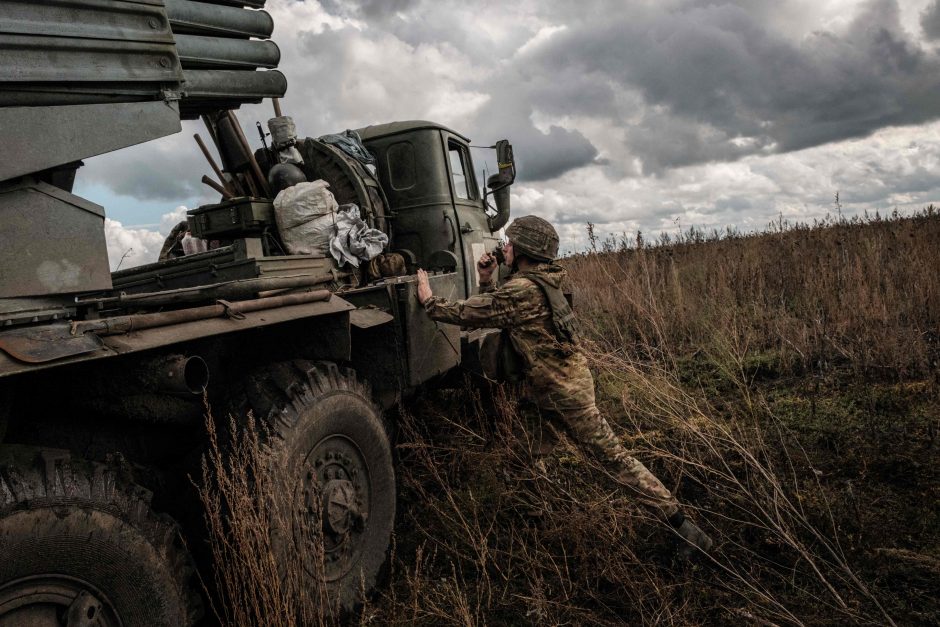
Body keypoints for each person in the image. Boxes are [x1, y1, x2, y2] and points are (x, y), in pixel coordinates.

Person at [415, 215, 713, 555]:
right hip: (546, 392)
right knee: (521, 458)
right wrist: (487, 278)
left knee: (614, 461)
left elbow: (474, 313)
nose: (505, 247)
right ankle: (533, 522)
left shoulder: (523, 289)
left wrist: (428, 299)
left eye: (510, 243)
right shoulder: (543, 281)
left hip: (564, 395)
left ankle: (684, 528)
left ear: (525, 249)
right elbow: (502, 312)